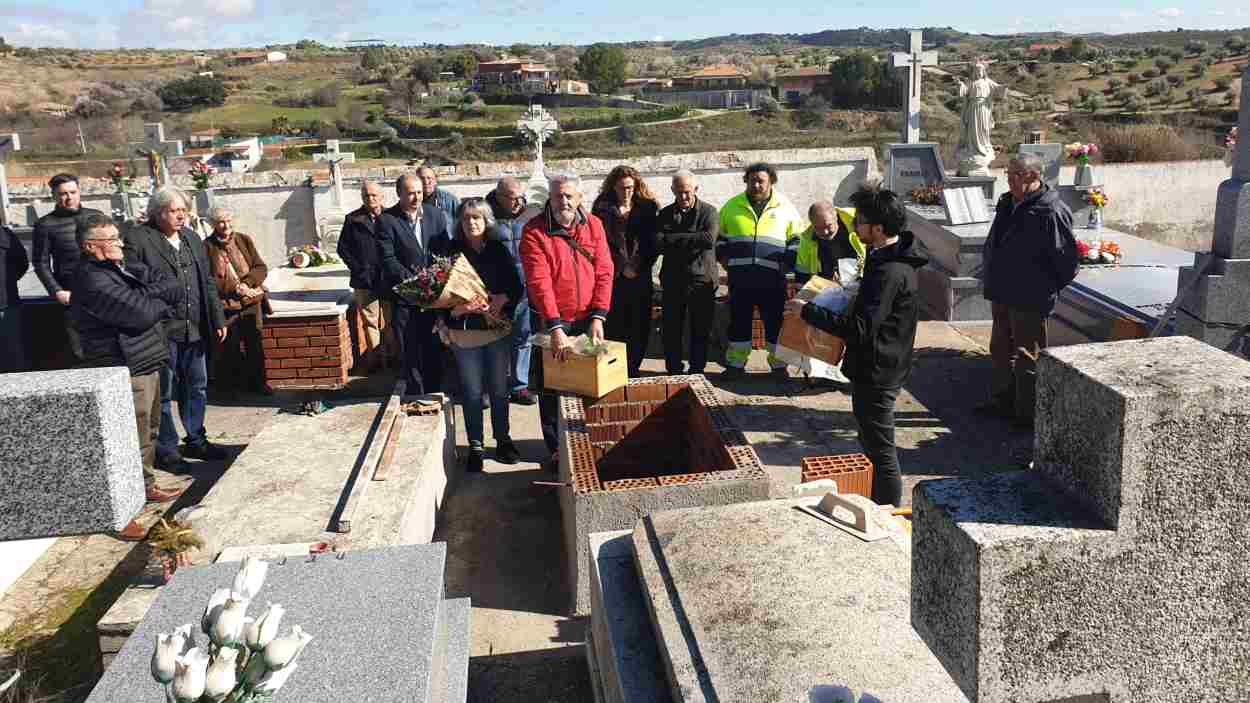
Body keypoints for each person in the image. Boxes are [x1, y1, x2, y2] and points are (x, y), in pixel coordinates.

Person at [787, 183, 927, 507]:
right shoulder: (884, 260)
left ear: (877, 228)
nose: (855, 225)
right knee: (871, 441)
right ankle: (879, 504)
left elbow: (861, 328)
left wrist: (808, 312)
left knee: (880, 448)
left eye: (860, 221)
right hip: (880, 363)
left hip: (879, 369)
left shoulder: (890, 271)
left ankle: (888, 511)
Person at [72, 213, 187, 538]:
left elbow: (172, 282)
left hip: (146, 358)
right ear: (90, 247)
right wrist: (157, 305)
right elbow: (140, 314)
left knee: (148, 432)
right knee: (126, 442)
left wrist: (150, 299)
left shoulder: (120, 267)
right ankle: (123, 511)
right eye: (111, 240)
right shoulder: (92, 280)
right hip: (123, 366)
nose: (119, 244)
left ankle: (146, 486)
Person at [125, 188, 228, 467]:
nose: (180, 215)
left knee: (197, 386)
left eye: (182, 210)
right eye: (173, 210)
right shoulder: (138, 239)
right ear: (157, 213)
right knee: (165, 392)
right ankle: (167, 447)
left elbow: (206, 280)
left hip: (193, 327)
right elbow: (135, 278)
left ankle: (196, 439)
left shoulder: (192, 239)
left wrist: (217, 318)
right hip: (161, 329)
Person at [520, 171, 613, 469]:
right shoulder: (534, 232)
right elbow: (539, 282)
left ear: (580, 197)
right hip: (553, 321)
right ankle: (556, 448)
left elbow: (604, 271)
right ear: (550, 196)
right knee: (551, 387)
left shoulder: (594, 226)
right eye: (558, 195)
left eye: (570, 195)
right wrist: (555, 325)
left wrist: (599, 315)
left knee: (591, 381)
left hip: (587, 318)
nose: (564, 201)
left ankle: (588, 440)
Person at [978, 152, 1079, 428]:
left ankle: (1027, 415)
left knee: (1027, 356)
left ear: (1034, 177)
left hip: (1029, 296)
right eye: (1007, 174)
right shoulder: (1008, 202)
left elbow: (1067, 261)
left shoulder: (1050, 211)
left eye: (1015, 175)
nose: (1008, 180)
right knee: (1000, 349)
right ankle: (1003, 400)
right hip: (1001, 290)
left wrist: (1043, 288)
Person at [442, 198, 523, 471]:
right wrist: (458, 309)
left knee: (500, 391)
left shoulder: (498, 250)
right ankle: (476, 445)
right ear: (459, 222)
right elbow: (438, 296)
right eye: (466, 218)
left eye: (476, 217)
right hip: (465, 335)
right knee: (472, 393)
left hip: (495, 331)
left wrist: (503, 299)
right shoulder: (450, 252)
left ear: (486, 221)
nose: (471, 223)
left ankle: (503, 440)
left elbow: (516, 285)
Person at [717, 162, 803, 381]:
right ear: (746, 181)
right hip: (740, 279)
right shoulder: (731, 206)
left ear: (770, 182)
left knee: (775, 323)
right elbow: (719, 238)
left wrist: (788, 263)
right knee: (739, 323)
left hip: (772, 279)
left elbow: (796, 239)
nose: (756, 185)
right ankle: (735, 365)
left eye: (761, 181)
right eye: (752, 180)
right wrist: (724, 258)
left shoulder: (785, 207)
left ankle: (778, 366)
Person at [378, 173, 451, 394]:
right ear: (399, 193)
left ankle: (433, 392)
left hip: (433, 296)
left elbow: (443, 251)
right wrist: (414, 282)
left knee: (432, 348)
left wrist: (436, 280)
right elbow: (388, 258)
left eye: (419, 192)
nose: (416, 197)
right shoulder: (387, 220)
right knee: (409, 348)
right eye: (410, 193)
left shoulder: (435, 215)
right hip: (405, 297)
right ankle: (413, 393)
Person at [592, 165, 659, 377]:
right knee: (614, 323)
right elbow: (597, 243)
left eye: (630, 187)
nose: (626, 192)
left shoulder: (648, 207)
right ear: (613, 187)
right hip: (612, 276)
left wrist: (637, 266)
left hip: (640, 275)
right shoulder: (601, 208)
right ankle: (615, 367)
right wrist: (620, 267)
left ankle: (634, 366)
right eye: (622, 188)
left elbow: (653, 243)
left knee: (639, 323)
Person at [31, 173, 104, 359]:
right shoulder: (45, 225)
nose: (69, 197)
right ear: (54, 196)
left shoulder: (96, 217)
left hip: (103, 289)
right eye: (63, 193)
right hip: (71, 293)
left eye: (73, 192)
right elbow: (40, 262)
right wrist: (56, 291)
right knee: (79, 349)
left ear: (79, 192)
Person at [656, 169, 718, 375]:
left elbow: (708, 240)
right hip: (673, 280)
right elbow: (658, 243)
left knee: (700, 329)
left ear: (696, 189)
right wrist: (693, 237)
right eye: (679, 192)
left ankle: (697, 369)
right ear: (672, 190)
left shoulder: (709, 212)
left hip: (702, 280)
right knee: (671, 329)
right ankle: (673, 369)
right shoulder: (664, 214)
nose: (683, 197)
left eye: (687, 192)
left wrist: (673, 239)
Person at [203, 207, 270, 394]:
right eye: (221, 222)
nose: (226, 226)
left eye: (229, 221)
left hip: (251, 301)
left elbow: (260, 267)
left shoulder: (243, 239)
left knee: (254, 344)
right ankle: (237, 387)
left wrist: (247, 283)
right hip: (227, 305)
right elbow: (209, 279)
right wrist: (233, 288)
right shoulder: (206, 247)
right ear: (213, 224)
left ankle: (259, 383)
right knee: (230, 347)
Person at [486, 176, 537, 405]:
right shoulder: (485, 215)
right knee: (495, 340)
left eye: (520, 196)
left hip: (526, 289)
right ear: (499, 197)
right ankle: (493, 387)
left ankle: (520, 385)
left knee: (523, 338)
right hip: (496, 291)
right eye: (511, 197)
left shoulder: (532, 214)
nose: (517, 202)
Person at [336, 181, 388, 372]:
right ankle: (375, 361)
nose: (370, 199)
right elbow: (343, 248)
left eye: (374, 195)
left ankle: (391, 358)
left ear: (382, 197)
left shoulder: (391, 216)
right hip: (364, 281)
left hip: (389, 279)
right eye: (366, 195)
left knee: (391, 321)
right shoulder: (353, 219)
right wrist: (359, 269)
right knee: (370, 322)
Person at [789, 200, 864, 286]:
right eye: (818, 228)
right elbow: (801, 275)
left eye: (828, 225)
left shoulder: (858, 222)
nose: (825, 232)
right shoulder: (807, 240)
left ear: (836, 216)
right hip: (827, 289)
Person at [1, 224, 30, 373]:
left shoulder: (5, 234)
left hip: (6, 305)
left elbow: (22, 263)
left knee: (13, 357)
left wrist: (7, 282)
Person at [418, 166, 460, 235]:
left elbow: (459, 223)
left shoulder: (449, 200)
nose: (426, 182)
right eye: (422, 178)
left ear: (435, 181)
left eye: (429, 178)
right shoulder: (412, 201)